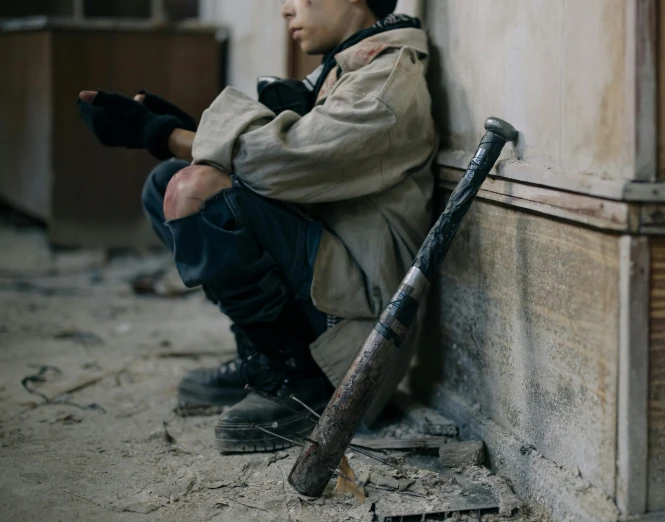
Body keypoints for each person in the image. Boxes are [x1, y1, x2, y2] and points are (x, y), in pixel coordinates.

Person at [77, 0, 436, 453]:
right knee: (166, 184)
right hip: (330, 284)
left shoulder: (385, 83)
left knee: (194, 191)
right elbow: (279, 166)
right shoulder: (346, 68)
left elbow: (278, 158)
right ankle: (266, 358)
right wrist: (184, 136)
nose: (288, 9)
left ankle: (300, 381)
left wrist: (166, 134)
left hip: (359, 338)